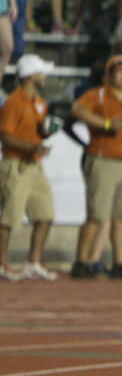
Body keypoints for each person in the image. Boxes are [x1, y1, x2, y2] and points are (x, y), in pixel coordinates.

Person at [69, 55, 122, 280]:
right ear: (109, 74)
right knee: (97, 215)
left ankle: (119, 262)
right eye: (120, 71)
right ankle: (81, 261)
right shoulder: (98, 95)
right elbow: (77, 110)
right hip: (103, 159)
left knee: (121, 216)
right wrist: (106, 123)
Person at [0, 54, 58, 281]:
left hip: (34, 165)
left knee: (45, 214)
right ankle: (2, 263)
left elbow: (35, 132)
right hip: (16, 164)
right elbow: (4, 136)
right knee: (8, 218)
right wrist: (33, 146)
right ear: (31, 76)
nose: (44, 76)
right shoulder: (14, 102)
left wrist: (46, 132)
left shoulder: (39, 102)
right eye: (41, 72)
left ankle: (33, 262)